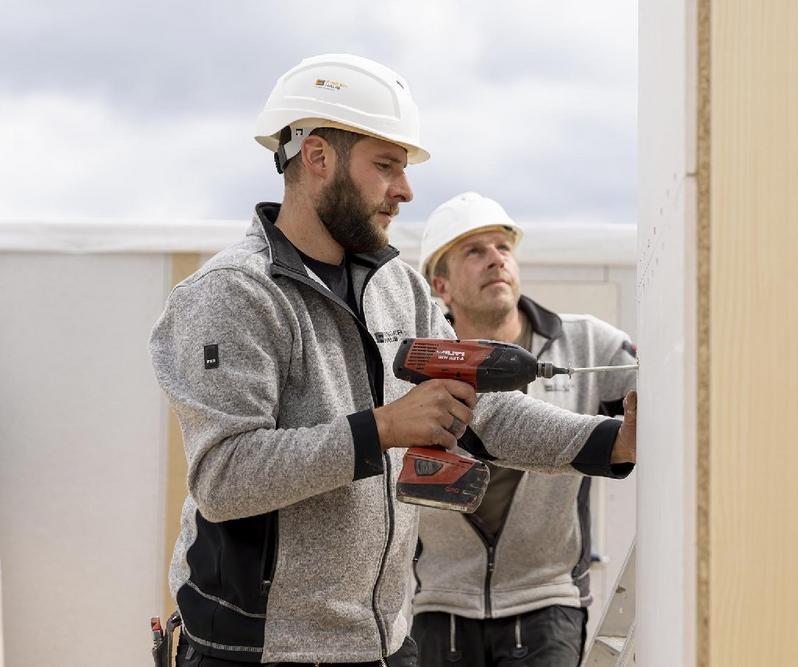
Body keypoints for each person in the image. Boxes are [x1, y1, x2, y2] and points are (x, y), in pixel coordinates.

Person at [149, 55, 637, 667]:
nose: (405, 191)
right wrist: (383, 428)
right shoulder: (232, 295)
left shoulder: (399, 289)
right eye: (386, 167)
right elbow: (225, 479)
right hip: (254, 652)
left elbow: (490, 416)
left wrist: (616, 442)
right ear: (318, 157)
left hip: (384, 645)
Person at [409, 193, 638, 666]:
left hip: (546, 603)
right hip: (438, 606)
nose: (495, 259)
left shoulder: (587, 342)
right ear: (441, 285)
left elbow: (662, 398)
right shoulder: (417, 364)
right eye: (474, 251)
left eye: (503, 248)